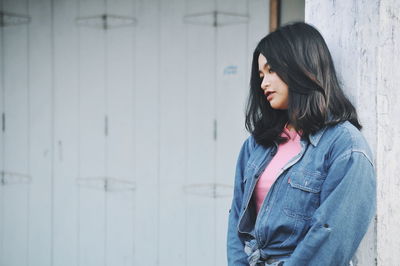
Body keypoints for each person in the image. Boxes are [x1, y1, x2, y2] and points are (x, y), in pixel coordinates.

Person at [226, 22, 376, 266]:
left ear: (301, 67)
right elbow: (236, 220)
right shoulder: (256, 145)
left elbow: (332, 234)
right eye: (261, 75)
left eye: (271, 70)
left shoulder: (345, 146)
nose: (263, 83)